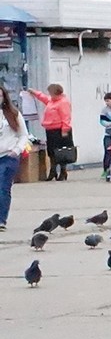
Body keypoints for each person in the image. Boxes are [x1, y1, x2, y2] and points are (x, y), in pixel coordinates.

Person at [24, 82, 72, 182]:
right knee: (52, 151)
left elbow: (66, 117)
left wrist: (64, 130)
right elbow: (44, 98)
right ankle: (53, 170)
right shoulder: (52, 101)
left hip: (60, 130)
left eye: (51, 93)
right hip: (50, 129)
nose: (49, 95)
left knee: (61, 151)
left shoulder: (63, 102)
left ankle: (63, 171)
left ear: (56, 93)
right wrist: (35, 93)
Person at [0, 88, 26, 230]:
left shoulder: (13, 114)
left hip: (8, 157)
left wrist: (17, 150)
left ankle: (1, 219)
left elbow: (23, 135)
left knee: (3, 187)